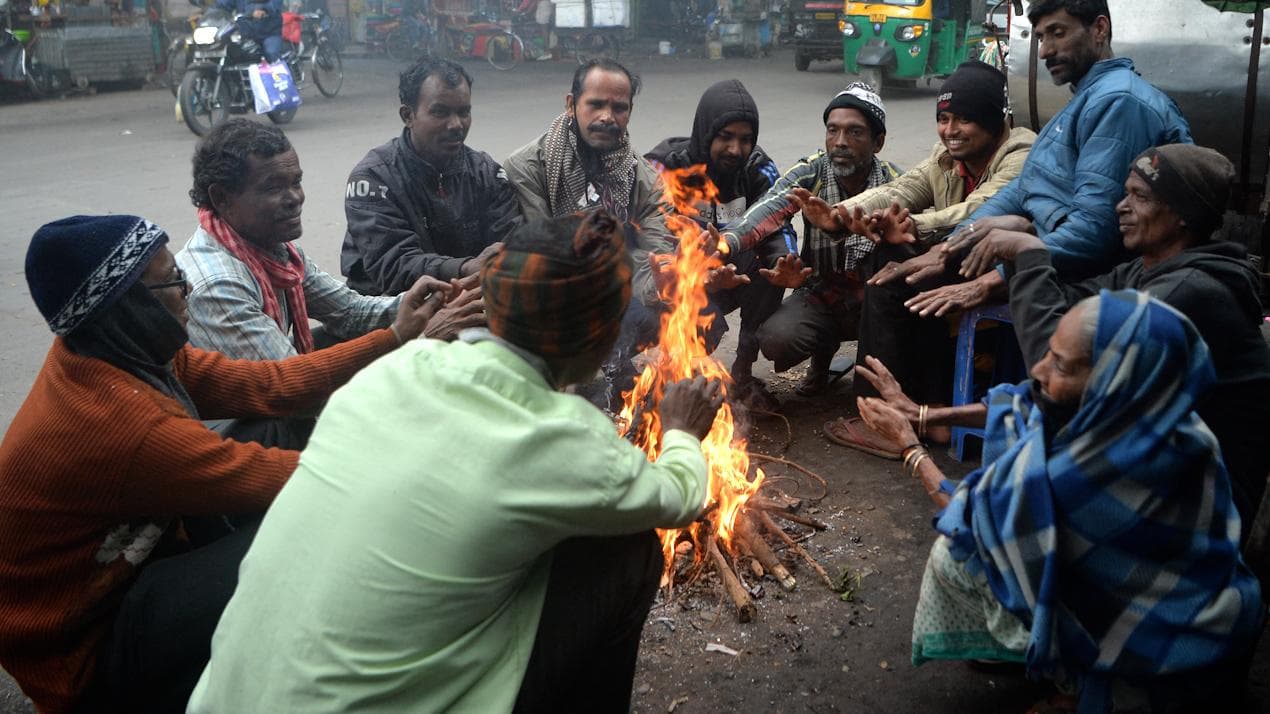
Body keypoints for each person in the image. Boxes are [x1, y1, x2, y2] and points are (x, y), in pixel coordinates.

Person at [187, 212, 723, 712]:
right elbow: (680, 497)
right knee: (625, 553)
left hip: (226, 697)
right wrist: (679, 431)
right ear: (603, 337)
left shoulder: (399, 367)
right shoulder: (559, 435)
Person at [0, 214, 447, 713]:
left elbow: (269, 386)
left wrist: (396, 335)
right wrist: (420, 459)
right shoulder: (125, 426)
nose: (187, 286)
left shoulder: (120, 351)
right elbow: (292, 479)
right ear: (128, 307)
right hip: (82, 645)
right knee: (297, 539)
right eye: (172, 280)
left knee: (270, 429)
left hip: (135, 565)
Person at [856, 291, 1261, 713]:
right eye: (1049, 352)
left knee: (955, 556)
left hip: (1159, 657)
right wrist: (922, 413)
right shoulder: (1180, 426)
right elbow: (1024, 404)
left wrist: (909, 447)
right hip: (1223, 620)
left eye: (1062, 365)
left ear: (1111, 382)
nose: (1039, 369)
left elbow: (969, 516)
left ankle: (1069, 673)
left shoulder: (1076, 479)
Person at [849, 0, 1192, 454]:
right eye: (1041, 38)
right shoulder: (1086, 99)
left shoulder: (1117, 102)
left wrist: (999, 277)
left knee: (899, 278)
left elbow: (1094, 231)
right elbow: (1021, 194)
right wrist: (947, 249)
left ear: (1100, 30)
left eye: (1058, 33)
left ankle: (891, 422)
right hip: (1037, 248)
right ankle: (927, 411)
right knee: (908, 266)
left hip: (1076, 267)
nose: (1046, 49)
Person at [963, 143, 1270, 530]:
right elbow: (1070, 306)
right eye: (1126, 193)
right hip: (1156, 468)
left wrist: (1029, 254)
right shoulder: (1147, 271)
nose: (1121, 207)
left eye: (1140, 197)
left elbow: (1057, 373)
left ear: (1182, 216)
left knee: (1004, 511)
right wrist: (1023, 244)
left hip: (1207, 510)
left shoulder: (1185, 294)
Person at [788, 61, 1033, 451]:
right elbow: (903, 188)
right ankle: (924, 406)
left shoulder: (1020, 154)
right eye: (944, 118)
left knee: (896, 273)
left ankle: (883, 417)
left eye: (964, 120)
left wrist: (914, 227)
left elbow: (979, 211)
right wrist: (842, 214)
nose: (951, 131)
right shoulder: (945, 157)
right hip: (956, 261)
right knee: (889, 260)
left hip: (1003, 271)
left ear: (993, 118)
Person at [503, 58, 675, 410]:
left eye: (619, 107)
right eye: (596, 104)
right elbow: (544, 254)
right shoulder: (527, 167)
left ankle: (616, 377)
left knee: (702, 315)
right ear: (571, 104)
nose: (607, 117)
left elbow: (657, 255)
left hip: (615, 295)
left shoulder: (643, 178)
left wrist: (665, 276)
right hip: (547, 300)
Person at [713, 82, 901, 396]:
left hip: (876, 299)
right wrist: (724, 244)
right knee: (776, 337)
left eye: (855, 132)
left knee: (882, 364)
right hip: (822, 293)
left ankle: (880, 370)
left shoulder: (897, 183)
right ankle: (820, 366)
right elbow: (767, 209)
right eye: (833, 130)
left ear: (877, 142)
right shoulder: (811, 171)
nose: (840, 142)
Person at [644, 79, 798, 408]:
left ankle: (742, 373)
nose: (735, 149)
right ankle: (677, 370)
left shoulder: (758, 168)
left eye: (745, 139)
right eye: (725, 137)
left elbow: (778, 220)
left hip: (736, 273)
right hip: (684, 279)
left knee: (771, 264)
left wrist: (786, 260)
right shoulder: (665, 164)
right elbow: (646, 231)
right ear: (705, 132)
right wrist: (692, 269)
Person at [341, 57, 522, 298]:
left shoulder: (486, 172)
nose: (457, 124)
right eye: (440, 112)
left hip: (468, 301)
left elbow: (512, 244)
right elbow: (394, 266)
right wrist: (466, 268)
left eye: (464, 112)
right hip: (393, 311)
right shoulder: (374, 179)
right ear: (408, 115)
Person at [216, 0, 283, 61]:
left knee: (271, 53)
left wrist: (263, 9)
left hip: (269, 32)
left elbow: (275, 4)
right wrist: (213, 14)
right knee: (229, 52)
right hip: (244, 31)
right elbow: (222, 5)